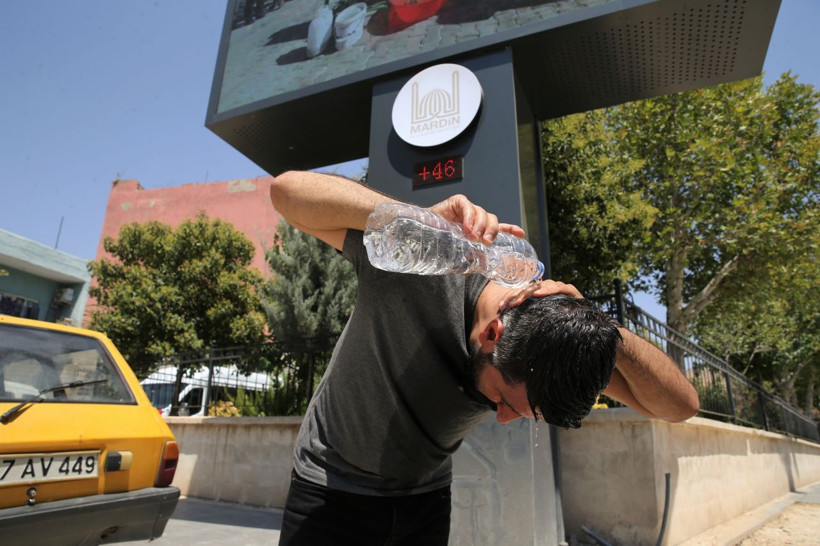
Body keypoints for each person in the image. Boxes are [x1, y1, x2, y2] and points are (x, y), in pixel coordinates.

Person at [270, 170, 699, 545]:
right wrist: (409, 218)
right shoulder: (419, 272)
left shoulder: (546, 346)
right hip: (330, 486)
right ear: (494, 333)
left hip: (425, 497)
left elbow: (681, 406)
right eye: (508, 403)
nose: (504, 418)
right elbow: (286, 192)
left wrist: (602, 331)